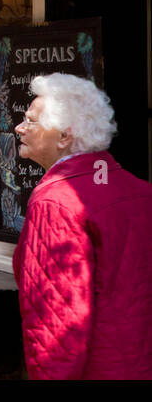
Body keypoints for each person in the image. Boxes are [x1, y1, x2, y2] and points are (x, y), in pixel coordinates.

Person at [13, 73, 152, 379]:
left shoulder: (55, 202)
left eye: (32, 121)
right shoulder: (140, 190)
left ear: (64, 136)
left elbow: (56, 323)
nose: (19, 128)